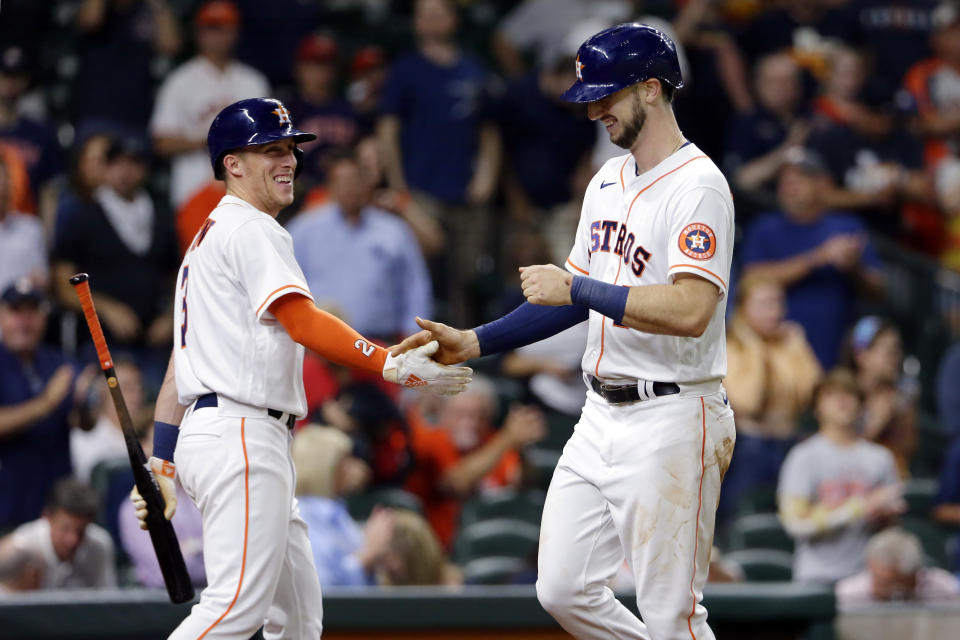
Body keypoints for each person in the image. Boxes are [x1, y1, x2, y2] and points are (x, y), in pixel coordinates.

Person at [394, 23, 737, 639]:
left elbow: (691, 310)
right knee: (562, 588)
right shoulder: (607, 180)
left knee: (671, 614)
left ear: (653, 89)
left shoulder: (699, 185)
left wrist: (578, 287)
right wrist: (476, 341)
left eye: (608, 95)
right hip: (600, 411)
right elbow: (569, 298)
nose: (595, 110)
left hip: (674, 412)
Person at [129, 97, 470, 639]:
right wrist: (387, 363)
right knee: (234, 609)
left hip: (227, 433)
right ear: (232, 164)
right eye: (270, 150)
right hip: (241, 434)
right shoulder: (250, 229)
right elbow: (303, 322)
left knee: (298, 618)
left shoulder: (206, 242)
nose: (288, 160)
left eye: (290, 149)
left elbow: (178, 365)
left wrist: (164, 462)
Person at [378, 0, 501, 325]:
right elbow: (387, 131)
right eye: (423, 16)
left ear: (453, 19)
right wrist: (399, 189)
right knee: (422, 276)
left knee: (469, 278)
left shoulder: (473, 69)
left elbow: (489, 131)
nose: (430, 22)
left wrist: (486, 177)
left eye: (437, 14)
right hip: (421, 190)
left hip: (466, 190)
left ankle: (463, 354)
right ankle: (419, 349)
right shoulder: (406, 69)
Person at [739, 148, 886, 368]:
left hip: (834, 355)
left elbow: (879, 290)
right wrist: (818, 257)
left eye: (799, 180)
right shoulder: (765, 227)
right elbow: (751, 279)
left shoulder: (847, 227)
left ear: (822, 184)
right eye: (785, 182)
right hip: (773, 358)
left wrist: (855, 268)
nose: (790, 188)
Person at [288, 152, 433, 343]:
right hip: (320, 346)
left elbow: (415, 286)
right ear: (330, 186)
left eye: (355, 181)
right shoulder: (304, 229)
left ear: (367, 184)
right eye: (342, 181)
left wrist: (414, 336)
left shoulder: (394, 230)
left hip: (381, 344)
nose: (350, 188)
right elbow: (285, 283)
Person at [778, 369, 904, 585]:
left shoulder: (881, 458)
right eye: (831, 394)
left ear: (862, 405)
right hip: (816, 577)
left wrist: (886, 515)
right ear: (817, 407)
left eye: (850, 394)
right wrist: (859, 508)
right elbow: (794, 524)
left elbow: (891, 527)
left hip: (867, 579)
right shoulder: (803, 457)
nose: (842, 400)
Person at [718, 273, 821, 523]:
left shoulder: (789, 343)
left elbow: (813, 395)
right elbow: (749, 403)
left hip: (789, 441)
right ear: (743, 309)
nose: (775, 312)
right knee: (745, 518)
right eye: (764, 304)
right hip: (748, 447)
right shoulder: (731, 346)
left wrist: (798, 347)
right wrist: (755, 348)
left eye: (778, 303)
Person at [149, 0, 270, 209]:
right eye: (211, 29)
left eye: (224, 29)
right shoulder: (180, 81)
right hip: (193, 191)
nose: (217, 36)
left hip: (246, 195)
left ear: (235, 32)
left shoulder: (253, 82)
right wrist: (205, 140)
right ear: (199, 33)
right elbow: (161, 141)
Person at [405, 375, 545, 549]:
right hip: (443, 544)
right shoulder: (433, 441)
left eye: (479, 415)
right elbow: (455, 483)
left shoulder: (494, 441)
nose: (470, 423)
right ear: (444, 414)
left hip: (495, 539)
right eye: (461, 414)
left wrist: (524, 451)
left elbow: (518, 482)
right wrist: (507, 439)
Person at [0, 281, 92, 531]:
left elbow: (84, 424)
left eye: (32, 312)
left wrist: (84, 405)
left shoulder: (58, 361)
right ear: (1, 315)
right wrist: (46, 404)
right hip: (9, 503)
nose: (25, 321)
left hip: (56, 500)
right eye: (16, 311)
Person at [290, 425, 393, 588]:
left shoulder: (337, 512)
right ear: (324, 467)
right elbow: (322, 587)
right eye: (345, 461)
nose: (354, 468)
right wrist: (369, 554)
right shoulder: (301, 516)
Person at [4, 477, 116, 589]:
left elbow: (108, 601)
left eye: (81, 531)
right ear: (46, 516)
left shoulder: (100, 544)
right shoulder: (21, 545)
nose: (72, 540)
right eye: (65, 528)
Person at [836, 527, 960, 605]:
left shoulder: (945, 588)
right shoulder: (848, 594)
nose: (895, 593)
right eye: (886, 583)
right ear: (871, 567)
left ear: (918, 573)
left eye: (903, 583)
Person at [70, 359, 146, 482]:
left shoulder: (148, 435)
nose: (136, 395)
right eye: (126, 388)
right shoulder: (86, 437)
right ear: (103, 391)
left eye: (139, 387)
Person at [0, 157, 47, 293]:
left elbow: (41, 279)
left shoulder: (31, 228)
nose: (2, 188)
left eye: (5, 181)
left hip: (22, 308)